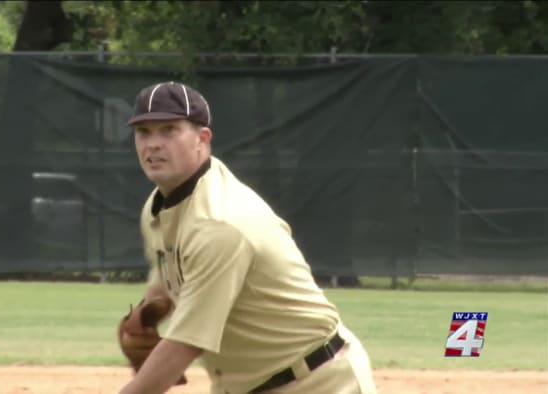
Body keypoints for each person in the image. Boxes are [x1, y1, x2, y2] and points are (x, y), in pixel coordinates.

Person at [119, 81, 377, 394]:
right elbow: (168, 285)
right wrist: (146, 315)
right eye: (143, 132)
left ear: (202, 139)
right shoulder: (158, 208)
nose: (153, 144)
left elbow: (183, 346)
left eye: (169, 130)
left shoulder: (220, 223)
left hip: (317, 382)